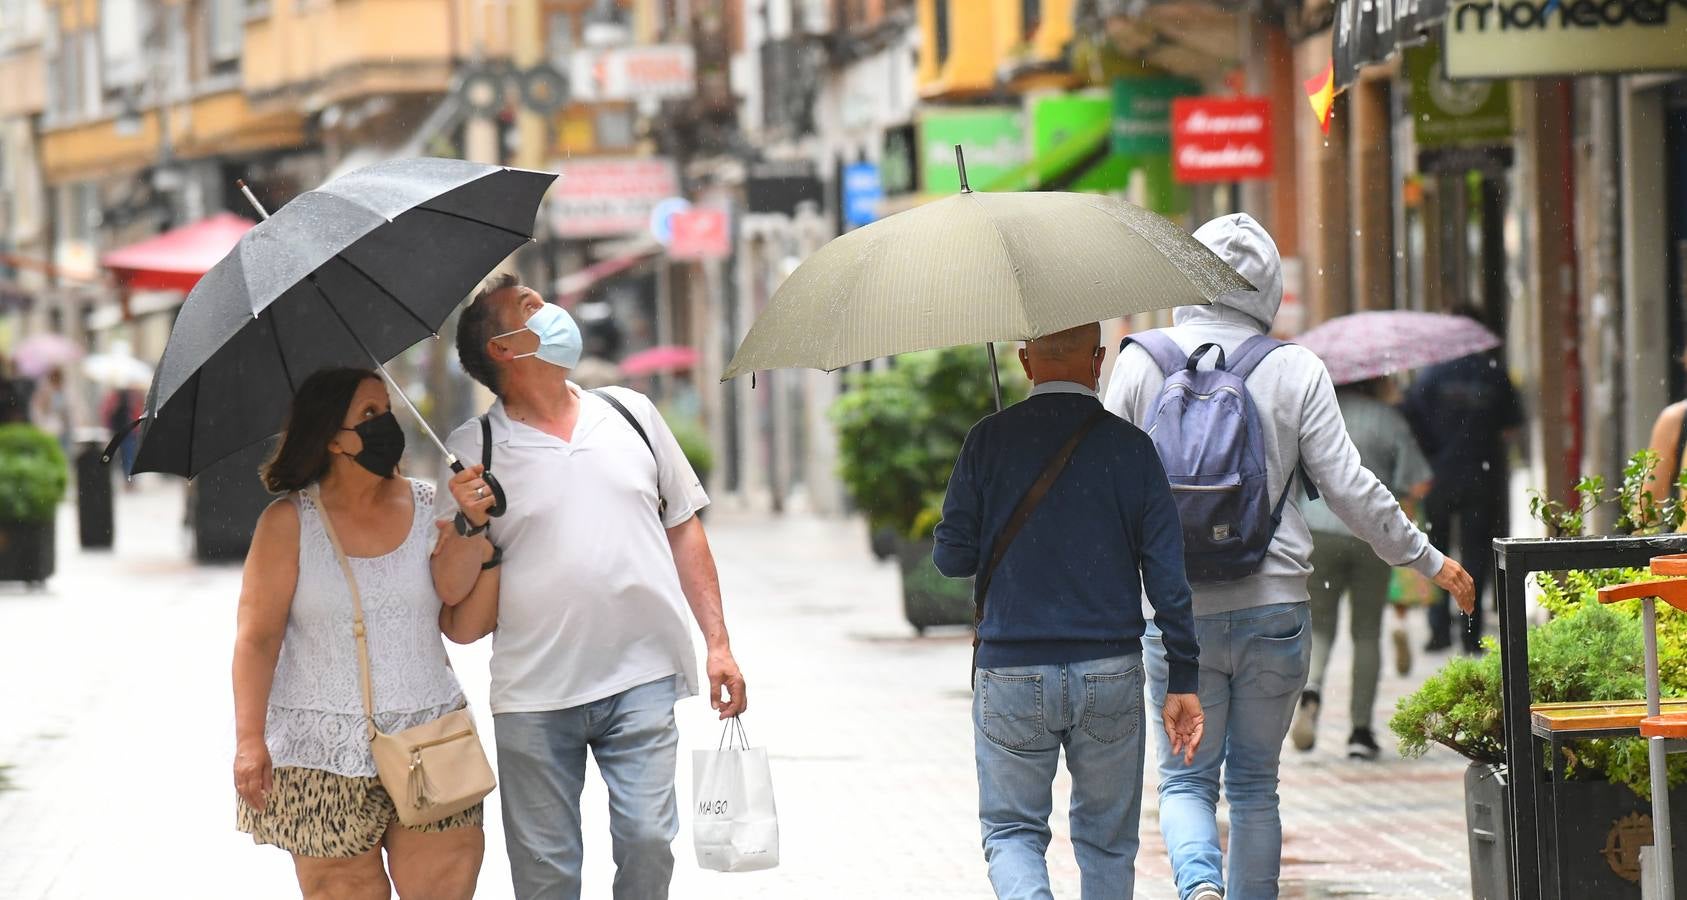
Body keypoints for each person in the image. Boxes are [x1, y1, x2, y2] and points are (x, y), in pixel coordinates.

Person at [1104, 213, 1475, 900]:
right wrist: (1425, 559)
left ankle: (1197, 887)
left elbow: (1103, 495)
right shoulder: (1294, 368)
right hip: (1272, 607)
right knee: (1253, 786)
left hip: (1171, 612)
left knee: (1185, 780)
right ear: (1267, 284)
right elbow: (1349, 487)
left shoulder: (1137, 361)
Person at [431, 273, 747, 900]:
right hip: (535, 693)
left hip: (643, 674)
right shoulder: (476, 450)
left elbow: (684, 528)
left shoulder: (631, 413)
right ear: (505, 348)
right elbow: (455, 605)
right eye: (530, 308)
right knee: (546, 878)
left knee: (649, 843)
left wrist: (718, 642)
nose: (551, 312)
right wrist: (469, 522)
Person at [933, 323, 1204, 900]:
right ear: (1099, 360)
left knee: (1011, 832)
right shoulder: (1132, 448)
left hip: (1010, 671)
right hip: (1109, 668)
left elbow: (951, 558)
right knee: (1107, 842)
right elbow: (1168, 580)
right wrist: (1183, 675)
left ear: (1026, 361)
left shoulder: (988, 440)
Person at [232, 367, 492, 899]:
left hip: (431, 739)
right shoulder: (288, 523)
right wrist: (249, 740)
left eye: (387, 411)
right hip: (320, 753)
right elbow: (257, 639)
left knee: (445, 887)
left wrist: (473, 526)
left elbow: (458, 616)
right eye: (368, 415)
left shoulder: (429, 509)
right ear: (330, 437)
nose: (385, 425)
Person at [1290, 376, 1434, 760]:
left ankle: (1313, 690)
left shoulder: (1316, 413)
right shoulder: (1389, 419)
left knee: (1319, 624)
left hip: (1319, 531)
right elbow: (1418, 481)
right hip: (1372, 534)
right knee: (1367, 632)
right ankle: (1359, 731)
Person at [1401, 304, 1523, 653]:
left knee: (1434, 551)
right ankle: (1471, 633)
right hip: (1481, 477)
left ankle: (1439, 630)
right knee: (1476, 554)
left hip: (1437, 477)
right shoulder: (1494, 373)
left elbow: (1410, 422)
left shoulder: (1429, 376)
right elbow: (1512, 427)